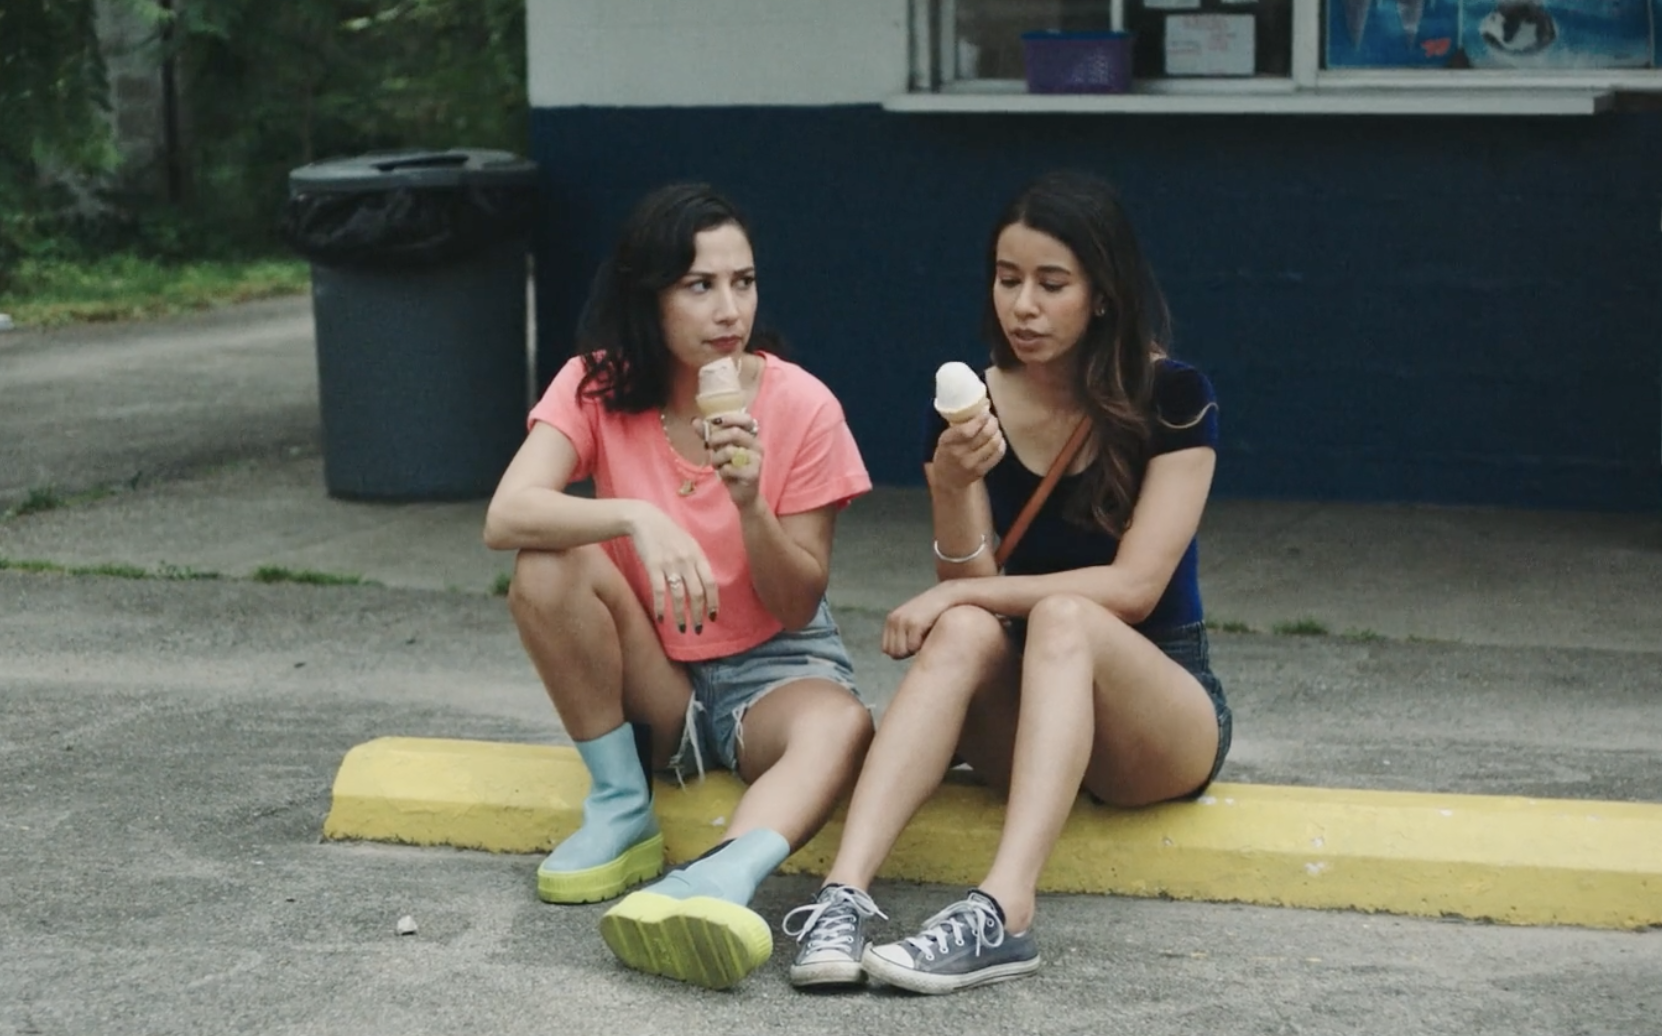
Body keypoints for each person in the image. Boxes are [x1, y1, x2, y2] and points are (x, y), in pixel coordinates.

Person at [777, 171, 1232, 995]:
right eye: (1008, 278)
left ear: (1101, 294)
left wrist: (956, 594)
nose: (1023, 305)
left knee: (1060, 613)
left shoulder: (1174, 398)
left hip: (1157, 715)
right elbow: (976, 587)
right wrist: (953, 485)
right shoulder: (968, 408)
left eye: (1051, 284)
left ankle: (1004, 915)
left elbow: (1132, 590)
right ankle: (841, 899)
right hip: (1029, 712)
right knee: (968, 629)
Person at [481, 182, 876, 990]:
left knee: (841, 726)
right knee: (547, 561)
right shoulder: (598, 386)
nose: (729, 308)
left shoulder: (803, 406)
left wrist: (748, 503)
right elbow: (507, 514)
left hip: (776, 668)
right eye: (700, 286)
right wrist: (632, 517)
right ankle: (623, 807)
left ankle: (716, 883)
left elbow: (798, 601)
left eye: (744, 281)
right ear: (647, 294)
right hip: (657, 675)